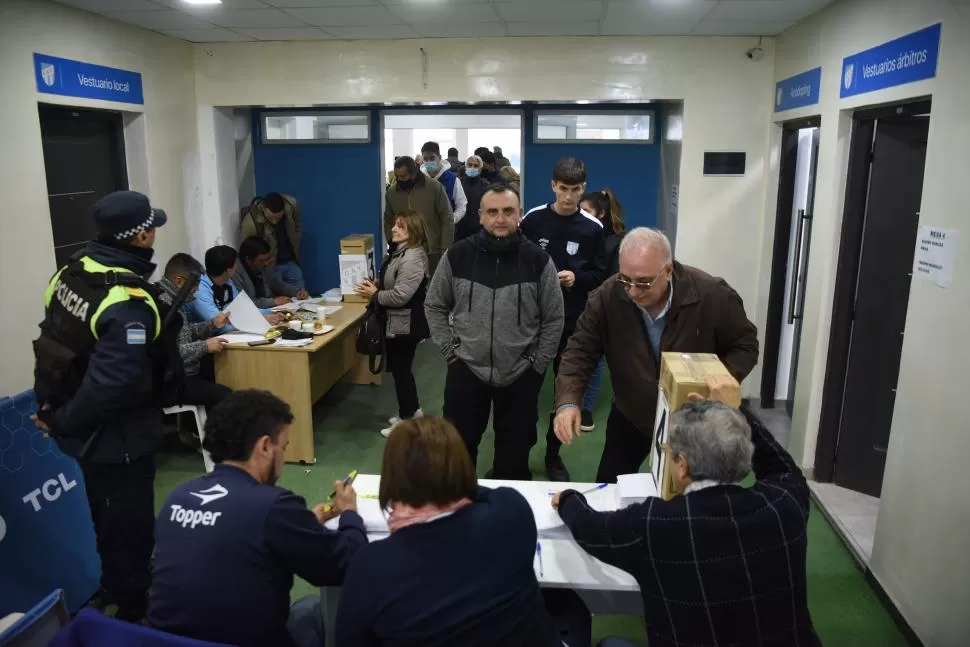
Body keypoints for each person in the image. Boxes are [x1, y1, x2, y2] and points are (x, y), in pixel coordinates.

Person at [552, 381, 819, 647]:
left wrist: (568, 500)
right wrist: (736, 410)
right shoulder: (784, 506)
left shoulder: (656, 524)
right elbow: (783, 467)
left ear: (682, 465)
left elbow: (591, 529)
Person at [31, 190, 176, 622]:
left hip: (78, 422)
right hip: (116, 438)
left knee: (106, 516)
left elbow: (53, 340)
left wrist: (54, 412)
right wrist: (64, 424)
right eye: (152, 228)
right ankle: (132, 611)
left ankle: (119, 580)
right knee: (127, 524)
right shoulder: (127, 301)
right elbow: (112, 384)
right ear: (142, 237)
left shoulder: (70, 273)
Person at [335, 416, 585, 647]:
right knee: (571, 607)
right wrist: (451, 480)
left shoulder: (370, 568)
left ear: (392, 482)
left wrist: (349, 515)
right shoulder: (511, 512)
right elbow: (480, 492)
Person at [149, 390, 367, 647]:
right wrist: (350, 513)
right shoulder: (274, 506)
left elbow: (227, 532)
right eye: (283, 448)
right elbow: (346, 564)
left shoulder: (178, 496)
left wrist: (303, 523)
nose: (283, 459)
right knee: (312, 608)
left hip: (164, 641)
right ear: (264, 446)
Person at [553, 227, 760, 483]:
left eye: (644, 282)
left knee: (687, 496)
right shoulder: (608, 296)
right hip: (632, 414)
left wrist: (717, 382)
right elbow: (580, 351)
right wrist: (568, 401)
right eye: (626, 280)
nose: (633, 291)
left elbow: (745, 345)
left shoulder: (712, 295)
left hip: (695, 420)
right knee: (609, 487)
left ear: (669, 270)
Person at [425, 185, 564, 480]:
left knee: (513, 459)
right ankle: (459, 513)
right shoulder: (457, 256)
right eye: (492, 212)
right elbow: (435, 304)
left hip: (520, 374)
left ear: (520, 215)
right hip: (466, 369)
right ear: (480, 217)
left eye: (508, 211)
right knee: (457, 456)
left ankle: (507, 516)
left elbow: (554, 318)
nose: (500, 219)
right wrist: (450, 352)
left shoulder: (539, 261)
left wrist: (537, 364)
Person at [520, 157, 607, 481]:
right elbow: (519, 261)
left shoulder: (593, 228)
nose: (568, 196)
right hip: (532, 321)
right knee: (524, 393)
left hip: (571, 321)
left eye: (575, 189)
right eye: (563, 188)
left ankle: (553, 457)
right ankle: (518, 456)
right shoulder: (533, 220)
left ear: (583, 188)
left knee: (564, 391)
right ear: (552, 186)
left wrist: (577, 277)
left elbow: (601, 273)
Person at [354, 211, 430, 438]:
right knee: (400, 370)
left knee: (402, 371)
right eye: (395, 225)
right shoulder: (400, 252)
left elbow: (400, 296)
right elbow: (395, 282)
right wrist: (379, 284)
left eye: (401, 226)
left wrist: (375, 294)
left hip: (405, 326)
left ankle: (408, 419)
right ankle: (411, 411)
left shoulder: (413, 257)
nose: (394, 229)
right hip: (398, 324)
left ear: (413, 231)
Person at [156, 253, 232, 409]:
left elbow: (184, 333)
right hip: (172, 381)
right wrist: (205, 346)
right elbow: (171, 354)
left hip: (183, 372)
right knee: (226, 394)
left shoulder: (172, 299)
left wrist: (212, 324)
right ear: (179, 282)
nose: (196, 290)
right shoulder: (164, 305)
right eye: (195, 284)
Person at [577, 188, 625, 432]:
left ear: (602, 213)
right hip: (575, 304)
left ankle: (586, 408)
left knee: (595, 361)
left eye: (587, 211)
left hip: (600, 309)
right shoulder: (581, 235)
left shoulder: (615, 243)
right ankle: (567, 401)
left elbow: (614, 282)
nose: (581, 215)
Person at [188, 245, 281, 333]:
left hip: (228, 334)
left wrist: (273, 313)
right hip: (208, 339)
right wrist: (258, 320)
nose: (237, 267)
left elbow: (243, 308)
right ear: (228, 270)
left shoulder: (227, 281)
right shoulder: (200, 290)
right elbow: (219, 324)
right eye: (236, 264)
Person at [384, 156, 453, 274]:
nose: (400, 180)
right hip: (404, 251)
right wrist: (392, 241)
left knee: (432, 286)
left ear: (414, 173)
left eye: (404, 176)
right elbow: (388, 219)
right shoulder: (392, 193)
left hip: (432, 250)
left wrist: (445, 246)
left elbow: (447, 218)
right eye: (397, 177)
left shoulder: (434, 188)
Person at [240, 192, 304, 290]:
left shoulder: (291, 205)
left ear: (283, 210)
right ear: (263, 208)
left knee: (299, 294)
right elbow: (247, 249)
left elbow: (297, 222)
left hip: (290, 260)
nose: (274, 221)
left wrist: (297, 237)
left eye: (277, 218)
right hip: (269, 266)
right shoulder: (250, 223)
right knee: (276, 297)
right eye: (270, 218)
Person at [235, 236, 309, 309]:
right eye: (262, 260)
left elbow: (277, 283)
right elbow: (245, 303)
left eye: (267, 259)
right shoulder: (236, 273)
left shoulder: (262, 267)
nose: (266, 263)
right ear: (248, 259)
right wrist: (274, 302)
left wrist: (296, 292)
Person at [421, 141, 467, 225]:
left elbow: (461, 205)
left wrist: (451, 220)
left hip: (446, 229)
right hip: (424, 229)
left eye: (432, 158)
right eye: (425, 159)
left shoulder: (453, 180)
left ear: (440, 157)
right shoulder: (419, 180)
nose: (428, 162)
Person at [455, 154, 490, 242]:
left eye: (475, 165)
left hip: (479, 229)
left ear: (480, 168)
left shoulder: (486, 185)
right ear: (465, 166)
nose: (472, 167)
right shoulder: (458, 183)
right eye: (470, 165)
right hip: (460, 229)